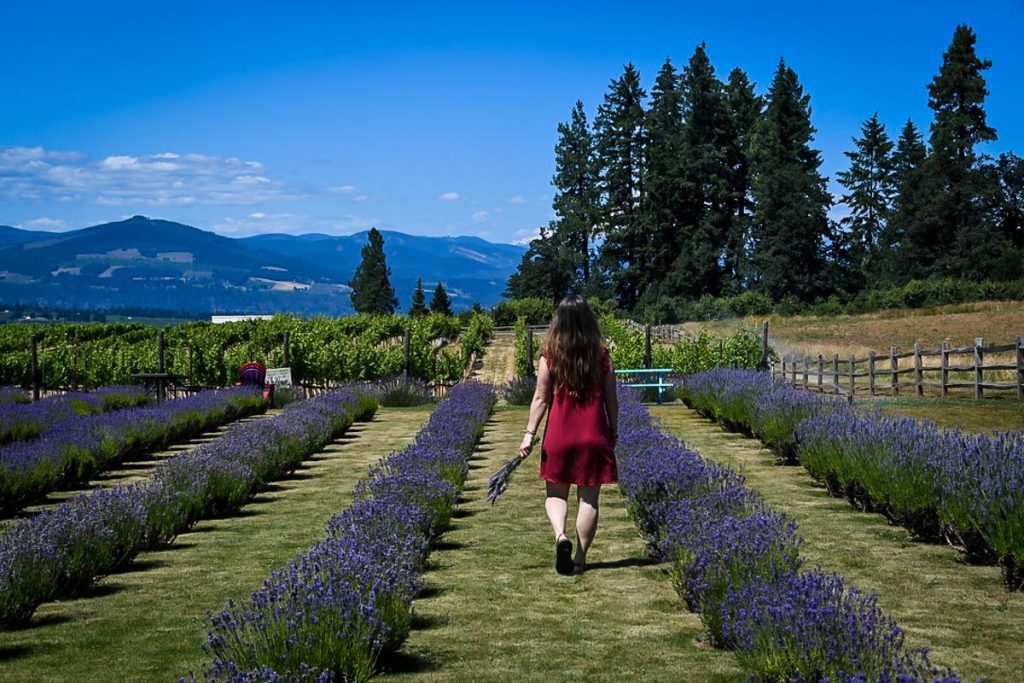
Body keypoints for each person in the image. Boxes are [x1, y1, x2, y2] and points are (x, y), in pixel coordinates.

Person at [519, 296, 618, 575]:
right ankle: (580, 557)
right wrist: (613, 431)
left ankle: (560, 535)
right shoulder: (601, 355)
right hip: (593, 435)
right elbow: (612, 400)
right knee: (589, 500)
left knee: (556, 494)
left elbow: (540, 398)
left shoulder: (550, 355)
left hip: (559, 436)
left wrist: (529, 434)